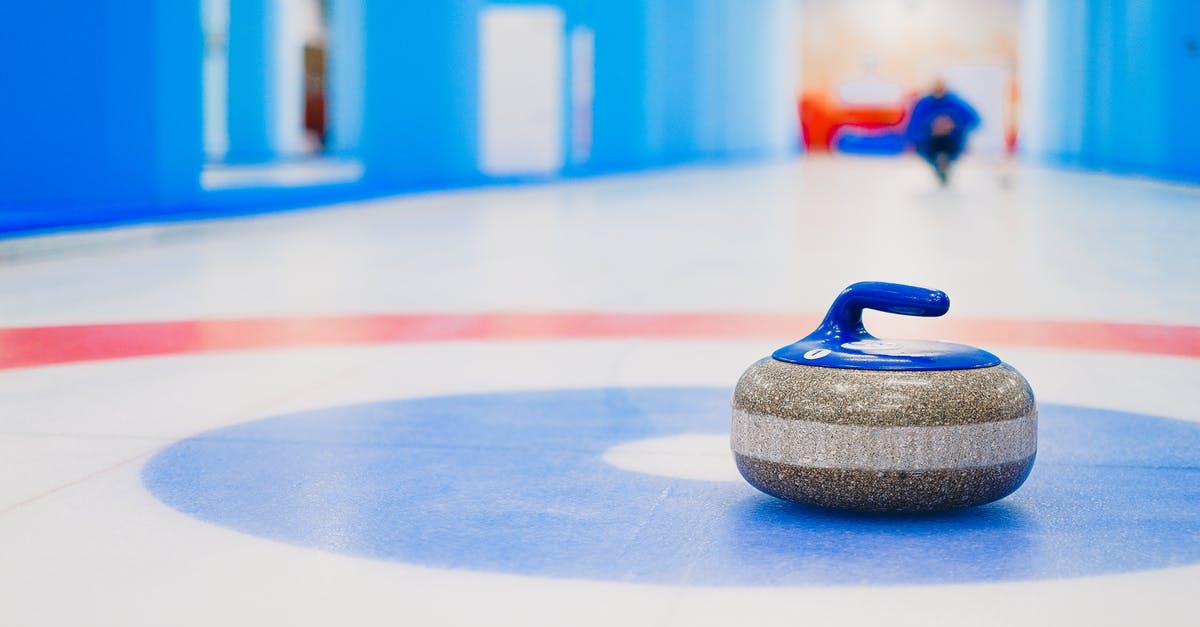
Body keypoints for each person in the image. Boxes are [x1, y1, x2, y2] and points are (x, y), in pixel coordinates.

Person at [906, 79, 980, 185]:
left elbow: (974, 120)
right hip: (929, 141)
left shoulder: (955, 103)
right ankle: (940, 166)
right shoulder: (924, 104)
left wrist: (953, 124)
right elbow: (913, 126)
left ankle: (945, 164)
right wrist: (931, 127)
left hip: (952, 140)